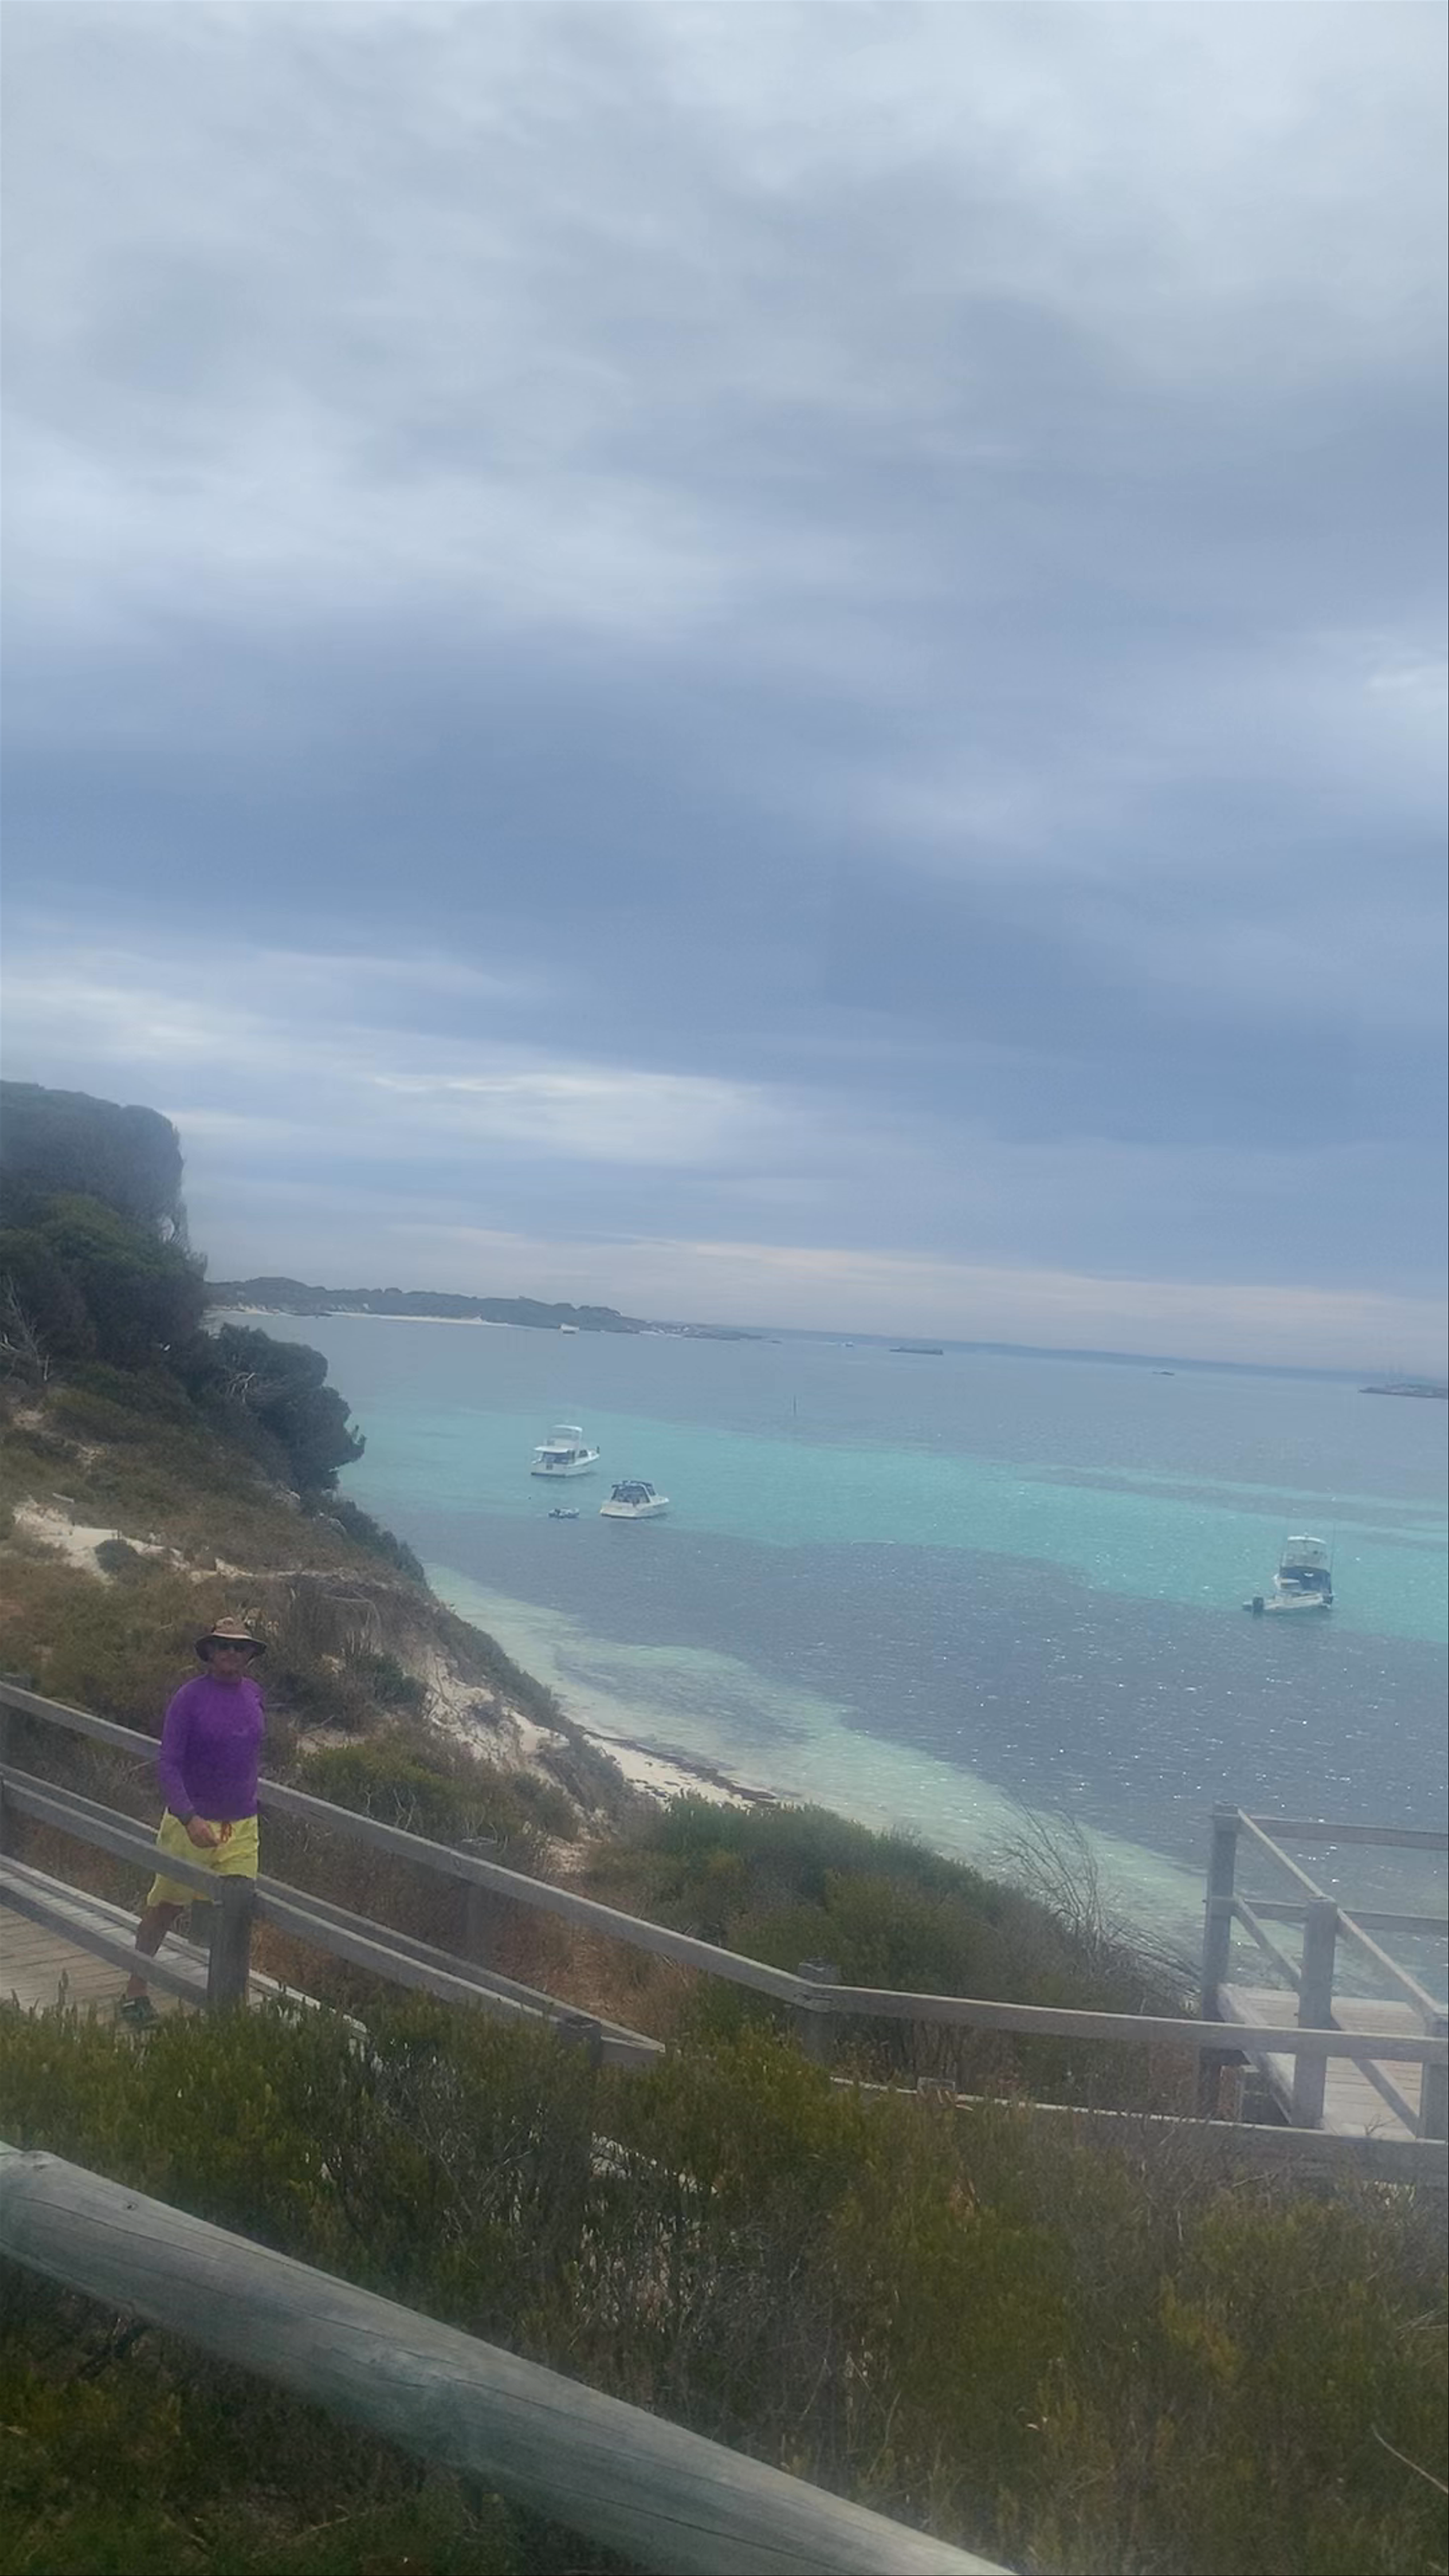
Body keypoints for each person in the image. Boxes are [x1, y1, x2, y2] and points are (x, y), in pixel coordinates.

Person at [120, 1616, 266, 2029]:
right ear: (209, 1651)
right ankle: (135, 1989)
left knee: (236, 1913)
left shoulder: (254, 1694)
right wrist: (188, 1816)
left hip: (241, 1826)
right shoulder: (189, 1697)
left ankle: (226, 2005)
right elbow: (169, 1763)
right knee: (165, 1906)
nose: (231, 1653)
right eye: (223, 1645)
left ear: (250, 1654)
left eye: (240, 1647)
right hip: (191, 1823)